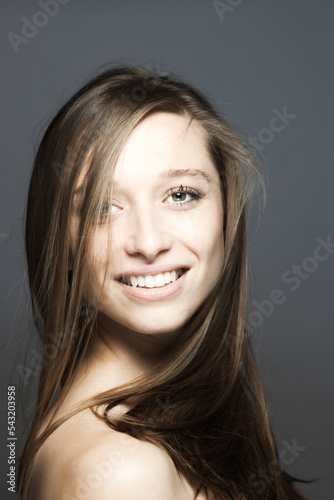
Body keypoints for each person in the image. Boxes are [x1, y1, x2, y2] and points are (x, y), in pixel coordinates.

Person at [18, 66, 308, 499]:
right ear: (63, 240)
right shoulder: (122, 473)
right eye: (103, 206)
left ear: (227, 211)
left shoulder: (176, 413)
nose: (149, 243)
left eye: (181, 194)